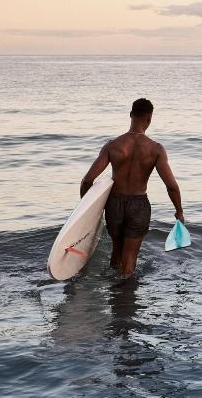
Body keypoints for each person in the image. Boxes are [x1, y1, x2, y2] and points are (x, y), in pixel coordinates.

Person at [79, 98, 184, 277]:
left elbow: (87, 180)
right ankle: (125, 301)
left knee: (116, 253)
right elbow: (171, 186)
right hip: (138, 205)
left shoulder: (112, 146)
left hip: (114, 204)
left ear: (130, 115)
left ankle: (113, 295)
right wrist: (179, 211)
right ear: (149, 119)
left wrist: (87, 209)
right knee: (130, 260)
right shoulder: (156, 149)